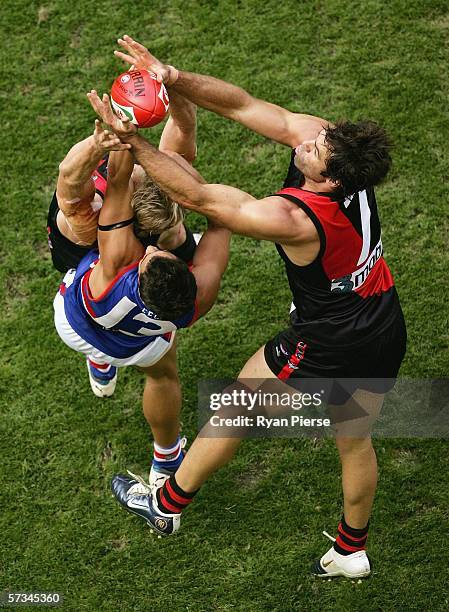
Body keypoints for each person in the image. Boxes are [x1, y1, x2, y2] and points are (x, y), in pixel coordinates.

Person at [92, 36, 407, 579]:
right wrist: (171, 75)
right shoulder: (336, 153)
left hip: (326, 338)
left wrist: (133, 145)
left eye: (314, 153)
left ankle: (165, 507)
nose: (306, 143)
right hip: (381, 318)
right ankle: (352, 551)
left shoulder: (296, 220)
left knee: (237, 406)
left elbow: (202, 200)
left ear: (328, 179)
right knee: (355, 438)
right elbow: (244, 106)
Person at [48, 90, 199, 397]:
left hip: (121, 245)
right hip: (81, 246)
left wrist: (173, 87)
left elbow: (182, 130)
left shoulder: (141, 215)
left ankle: (102, 353)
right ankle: (100, 356)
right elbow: (68, 181)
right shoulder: (87, 221)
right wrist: (172, 86)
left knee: (175, 242)